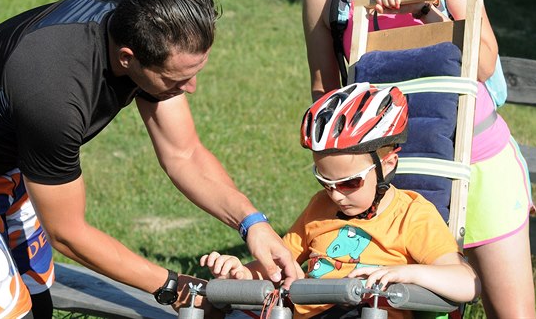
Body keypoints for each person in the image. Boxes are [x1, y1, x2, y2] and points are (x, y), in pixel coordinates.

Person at [0, 0, 298, 318]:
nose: (192, 88)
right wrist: (178, 288)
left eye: (194, 73)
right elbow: (68, 233)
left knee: (36, 296)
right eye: (177, 78)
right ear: (128, 58)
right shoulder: (54, 93)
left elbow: (185, 154)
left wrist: (254, 224)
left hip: (13, 155)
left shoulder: (142, 24)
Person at [301, 0, 536, 317]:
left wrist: (423, 11)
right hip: (395, 179)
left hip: (481, 164)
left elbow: (485, 64)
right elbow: (328, 100)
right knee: (421, 310)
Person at [201, 83, 480, 318]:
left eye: (350, 182)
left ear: (388, 164)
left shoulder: (411, 215)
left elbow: (468, 283)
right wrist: (242, 274)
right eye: (324, 182)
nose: (335, 194)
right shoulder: (318, 207)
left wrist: (407, 273)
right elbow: (277, 268)